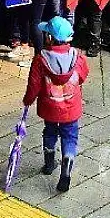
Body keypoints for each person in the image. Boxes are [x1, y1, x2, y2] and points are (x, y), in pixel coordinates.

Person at [22, 17, 89, 192]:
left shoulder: (40, 60)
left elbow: (34, 85)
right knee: (70, 136)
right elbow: (82, 76)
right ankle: (67, 161)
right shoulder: (78, 58)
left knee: (50, 132)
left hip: (50, 108)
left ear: (50, 38)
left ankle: (49, 164)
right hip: (71, 109)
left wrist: (27, 101)